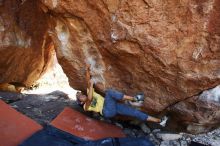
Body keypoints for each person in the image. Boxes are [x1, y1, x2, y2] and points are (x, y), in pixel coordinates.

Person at [75, 64, 165, 125]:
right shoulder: (85, 107)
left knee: (135, 112)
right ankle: (134, 99)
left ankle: (159, 121)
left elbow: (88, 80)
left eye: (81, 94)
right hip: (106, 111)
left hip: (114, 106)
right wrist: (91, 87)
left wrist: (87, 69)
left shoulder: (89, 92)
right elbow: (90, 99)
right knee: (109, 93)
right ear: (81, 102)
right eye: (80, 97)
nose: (82, 95)